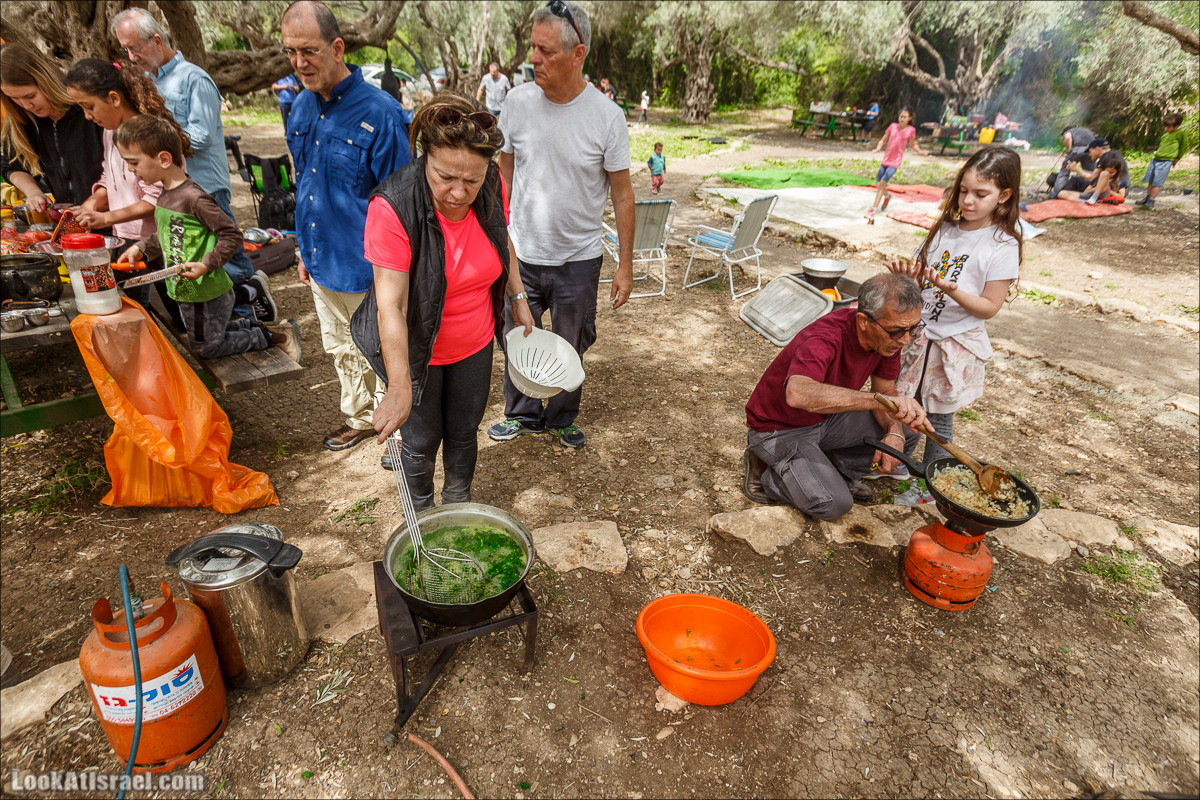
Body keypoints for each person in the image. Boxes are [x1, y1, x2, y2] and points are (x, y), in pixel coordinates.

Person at [351, 94, 536, 504]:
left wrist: (518, 295)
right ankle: (420, 514)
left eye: (471, 180)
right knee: (420, 438)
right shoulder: (393, 206)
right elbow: (392, 307)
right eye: (445, 177)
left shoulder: (489, 183)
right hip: (417, 347)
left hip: (473, 342)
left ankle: (457, 507)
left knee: (463, 430)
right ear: (424, 159)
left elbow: (500, 237)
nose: (458, 192)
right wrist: (400, 384)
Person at [486, 0, 635, 450]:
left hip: (578, 259)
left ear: (578, 54)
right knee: (517, 337)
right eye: (532, 47)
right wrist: (497, 238)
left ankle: (562, 416)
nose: (533, 59)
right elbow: (503, 177)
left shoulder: (606, 116)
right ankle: (521, 414)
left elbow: (623, 194)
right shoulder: (516, 102)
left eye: (546, 50)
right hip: (522, 253)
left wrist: (624, 266)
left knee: (572, 342)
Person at [281, 0, 412, 452]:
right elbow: (305, 185)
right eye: (291, 52)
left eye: (309, 51)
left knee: (378, 349)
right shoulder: (299, 108)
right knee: (339, 348)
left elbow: (401, 203)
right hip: (321, 261)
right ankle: (358, 418)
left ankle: (392, 428)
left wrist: (393, 273)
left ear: (337, 48)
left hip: (368, 267)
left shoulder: (382, 113)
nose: (300, 63)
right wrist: (303, 248)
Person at [882, 146, 1022, 506]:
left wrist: (952, 289)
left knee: (938, 419)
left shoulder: (1001, 245)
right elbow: (922, 284)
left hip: (954, 344)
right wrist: (909, 279)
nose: (969, 201)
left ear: (1004, 195)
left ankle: (930, 488)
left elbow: (989, 306)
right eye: (964, 191)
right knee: (904, 402)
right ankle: (898, 463)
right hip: (920, 337)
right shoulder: (945, 230)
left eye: (981, 194)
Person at [111, 8, 269, 322]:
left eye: (135, 48)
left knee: (227, 257)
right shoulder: (147, 81)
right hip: (173, 190)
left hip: (206, 188)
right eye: (125, 50)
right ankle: (228, 320)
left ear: (157, 40)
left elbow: (201, 136)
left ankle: (248, 311)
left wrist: (155, 141)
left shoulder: (194, 79)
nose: (131, 56)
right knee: (193, 256)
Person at [742, 272, 926, 519]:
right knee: (833, 504)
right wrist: (876, 400)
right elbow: (798, 394)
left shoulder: (887, 339)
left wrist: (894, 431)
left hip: (825, 419)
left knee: (908, 427)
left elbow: (885, 391)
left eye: (913, 328)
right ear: (863, 321)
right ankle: (769, 475)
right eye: (897, 331)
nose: (905, 340)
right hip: (779, 428)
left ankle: (838, 471)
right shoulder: (825, 337)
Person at [115, 115, 293, 361]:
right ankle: (269, 331)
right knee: (209, 336)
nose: (130, 170)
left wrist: (207, 264)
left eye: (133, 162)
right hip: (187, 291)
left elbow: (230, 233)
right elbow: (168, 233)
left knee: (204, 348)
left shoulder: (193, 198)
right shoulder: (166, 193)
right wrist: (142, 247)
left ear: (164, 159)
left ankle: (274, 338)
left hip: (204, 291)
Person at [63, 58, 187, 331]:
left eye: (89, 106)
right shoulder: (111, 133)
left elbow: (156, 200)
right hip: (126, 237)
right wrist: (92, 203)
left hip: (159, 242)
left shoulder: (149, 134)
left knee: (182, 309)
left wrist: (106, 216)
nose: (87, 116)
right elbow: (110, 176)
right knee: (141, 314)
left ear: (114, 98)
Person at [1, 43, 103, 210]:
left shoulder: (87, 111)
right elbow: (11, 165)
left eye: (30, 96)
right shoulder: (23, 121)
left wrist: (92, 205)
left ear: (45, 80)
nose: (26, 105)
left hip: (113, 221)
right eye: (15, 99)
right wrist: (33, 192)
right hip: (70, 222)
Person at [867, 106, 927, 219]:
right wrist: (878, 148)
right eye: (900, 116)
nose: (902, 118)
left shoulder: (911, 130)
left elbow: (913, 145)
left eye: (905, 117)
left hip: (895, 162)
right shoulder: (893, 126)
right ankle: (887, 196)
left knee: (882, 184)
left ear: (910, 118)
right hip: (885, 160)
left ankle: (873, 209)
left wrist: (920, 152)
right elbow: (883, 139)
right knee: (878, 184)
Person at [1138, 112, 1186, 209]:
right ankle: (1147, 197)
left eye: (1168, 127)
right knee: (1150, 181)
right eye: (1165, 127)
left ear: (1176, 126)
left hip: (1166, 161)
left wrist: (1177, 158)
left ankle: (1152, 200)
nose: (1166, 129)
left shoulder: (1180, 134)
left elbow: (1184, 147)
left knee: (1157, 182)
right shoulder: (1165, 135)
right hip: (1156, 159)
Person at [1058, 150, 1129, 205]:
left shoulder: (1120, 180)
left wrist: (1108, 190)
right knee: (1061, 193)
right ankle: (1085, 202)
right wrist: (1098, 188)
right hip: (1090, 195)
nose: (1110, 174)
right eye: (1108, 171)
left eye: (1112, 172)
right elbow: (1086, 192)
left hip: (1105, 194)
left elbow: (1121, 197)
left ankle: (1094, 198)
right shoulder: (1098, 178)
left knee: (1104, 174)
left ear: (1117, 171)